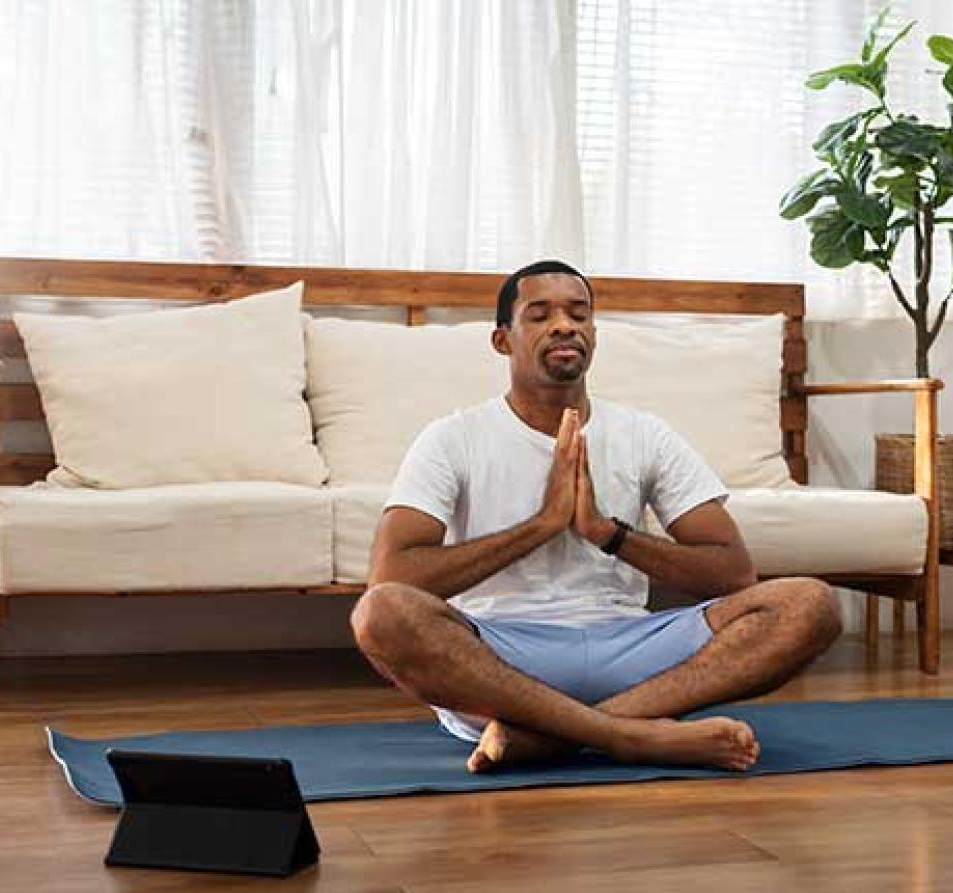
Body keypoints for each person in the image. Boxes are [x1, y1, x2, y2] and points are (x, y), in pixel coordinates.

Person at [350, 260, 842, 773]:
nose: (564, 325)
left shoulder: (644, 434)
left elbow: (732, 573)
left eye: (578, 314)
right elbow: (390, 578)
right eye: (540, 315)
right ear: (503, 341)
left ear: (594, 335)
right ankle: (630, 737)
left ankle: (552, 738)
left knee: (810, 604)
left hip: (629, 648)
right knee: (380, 615)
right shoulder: (452, 438)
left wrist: (607, 534)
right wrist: (541, 527)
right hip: (502, 656)